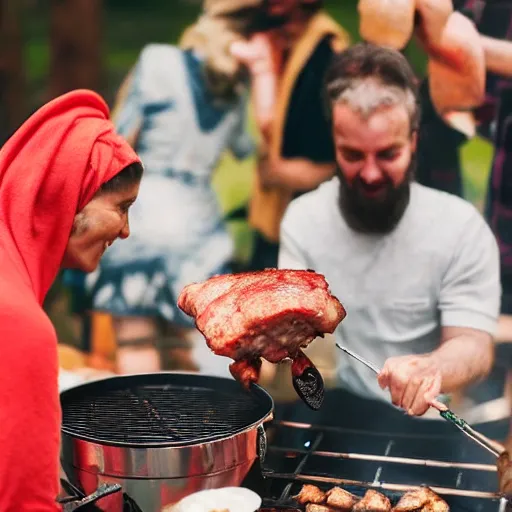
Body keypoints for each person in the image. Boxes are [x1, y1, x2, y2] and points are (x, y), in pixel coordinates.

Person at [270, 43, 500, 429]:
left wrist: (432, 367)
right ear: (334, 140)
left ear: (412, 141)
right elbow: (291, 333)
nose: (371, 173)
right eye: (353, 155)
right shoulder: (304, 218)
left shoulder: (459, 227)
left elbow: (476, 347)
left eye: (388, 154)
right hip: (345, 409)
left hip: (430, 419)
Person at [71, 0, 264, 376]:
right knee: (196, 344)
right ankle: (202, 430)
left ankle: (144, 431)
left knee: (135, 341)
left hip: (143, 214)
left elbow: (120, 135)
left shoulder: (158, 60)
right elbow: (245, 149)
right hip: (198, 228)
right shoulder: (238, 89)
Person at [0, 89, 142, 510]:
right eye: (122, 206)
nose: (125, 230)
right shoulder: (18, 322)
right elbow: (23, 502)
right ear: (70, 192)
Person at [240, 0, 350, 271]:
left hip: (309, 225)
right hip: (276, 219)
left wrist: (279, 173)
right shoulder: (288, 49)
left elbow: (337, 162)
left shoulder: (326, 60)